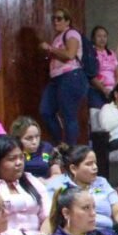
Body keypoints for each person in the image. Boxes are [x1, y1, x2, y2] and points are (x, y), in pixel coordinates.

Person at [45, 144, 118, 234]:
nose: (95, 167)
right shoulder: (57, 185)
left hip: (106, 233)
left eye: (95, 163)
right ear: (73, 168)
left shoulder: (102, 182)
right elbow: (51, 218)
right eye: (89, 164)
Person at [37, 8, 85, 146]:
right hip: (56, 79)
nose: (55, 22)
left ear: (67, 21)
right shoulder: (57, 37)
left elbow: (70, 54)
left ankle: (71, 149)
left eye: (59, 18)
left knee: (68, 114)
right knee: (46, 111)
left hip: (71, 76)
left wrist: (49, 48)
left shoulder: (72, 33)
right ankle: (59, 145)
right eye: (54, 19)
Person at [87, 26, 118, 110]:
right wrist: (104, 89)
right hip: (97, 90)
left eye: (104, 36)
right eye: (99, 36)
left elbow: (117, 74)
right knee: (97, 115)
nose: (102, 39)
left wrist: (115, 89)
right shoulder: (90, 53)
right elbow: (91, 75)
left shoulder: (111, 53)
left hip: (112, 91)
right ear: (93, 38)